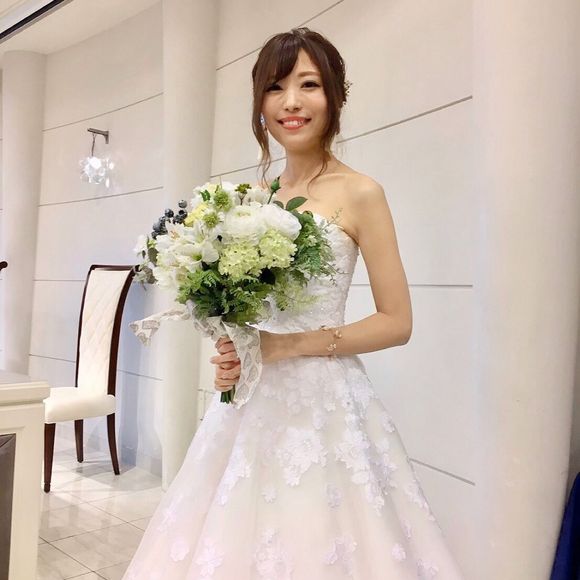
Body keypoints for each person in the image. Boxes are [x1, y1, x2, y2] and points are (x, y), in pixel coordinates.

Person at [122, 27, 465, 579]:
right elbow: (248, 314)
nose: (291, 102)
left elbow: (396, 322)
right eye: (275, 87)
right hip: (248, 406)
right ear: (260, 104)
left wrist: (285, 346)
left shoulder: (361, 192)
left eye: (309, 85)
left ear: (334, 97)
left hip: (325, 405)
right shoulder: (250, 201)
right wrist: (235, 352)